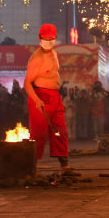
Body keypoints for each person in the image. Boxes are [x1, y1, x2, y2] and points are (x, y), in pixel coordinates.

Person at [24, 23, 73, 173]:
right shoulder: (36, 59)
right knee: (38, 134)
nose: (48, 41)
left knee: (61, 131)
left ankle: (65, 166)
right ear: (39, 39)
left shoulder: (54, 53)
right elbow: (27, 83)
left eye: (51, 38)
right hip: (40, 96)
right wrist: (37, 99)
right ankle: (30, 168)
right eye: (45, 39)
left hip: (55, 97)